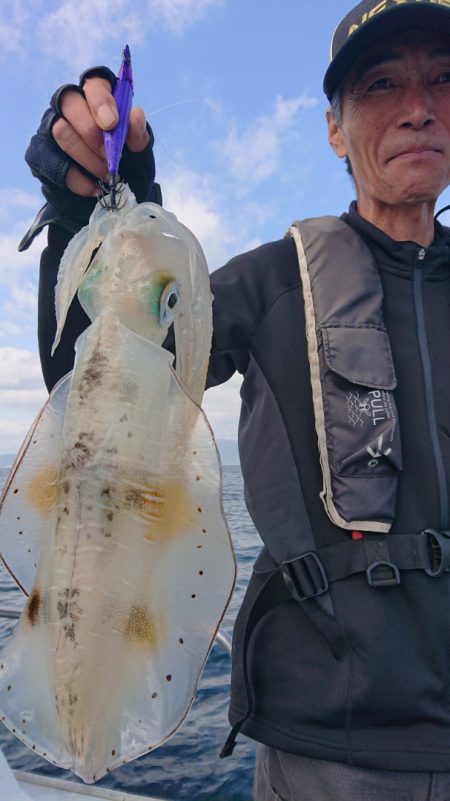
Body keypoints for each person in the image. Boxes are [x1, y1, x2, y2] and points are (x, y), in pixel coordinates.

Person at [20, 0, 450, 798]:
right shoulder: (273, 281)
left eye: (445, 80)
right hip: (329, 749)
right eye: (383, 84)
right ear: (334, 129)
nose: (420, 107)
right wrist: (92, 209)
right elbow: (106, 371)